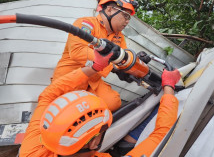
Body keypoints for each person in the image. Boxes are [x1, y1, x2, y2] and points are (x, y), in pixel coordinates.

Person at [19, 41, 180, 156]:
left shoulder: (33, 147)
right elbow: (163, 135)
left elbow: (49, 94)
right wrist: (169, 86)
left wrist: (95, 67)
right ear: (94, 143)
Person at [51, 0, 138, 112]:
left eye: (129, 18)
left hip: (92, 82)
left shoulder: (119, 36)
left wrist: (132, 68)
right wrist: (111, 66)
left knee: (113, 102)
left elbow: (123, 57)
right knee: (68, 112)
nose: (127, 21)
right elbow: (77, 51)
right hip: (69, 78)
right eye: (125, 16)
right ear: (110, 10)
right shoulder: (86, 24)